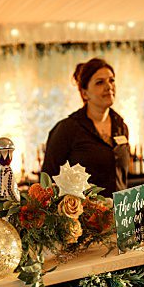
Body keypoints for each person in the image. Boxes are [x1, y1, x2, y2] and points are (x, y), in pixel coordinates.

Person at [42, 58, 129, 194]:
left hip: (120, 212)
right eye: (100, 82)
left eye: (111, 80)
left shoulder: (121, 127)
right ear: (84, 93)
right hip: (85, 213)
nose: (108, 86)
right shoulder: (67, 129)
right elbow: (46, 182)